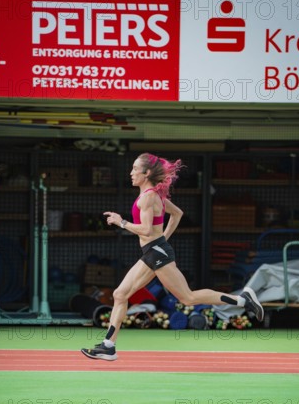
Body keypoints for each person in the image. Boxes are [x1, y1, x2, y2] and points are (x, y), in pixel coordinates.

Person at [81, 153, 263, 360]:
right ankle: (108, 346)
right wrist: (162, 240)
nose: (130, 173)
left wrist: (121, 222)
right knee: (120, 294)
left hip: (156, 253)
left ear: (146, 173)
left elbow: (148, 230)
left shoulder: (149, 197)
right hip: (154, 251)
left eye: (134, 169)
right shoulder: (153, 195)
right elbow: (177, 214)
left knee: (188, 298)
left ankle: (242, 300)